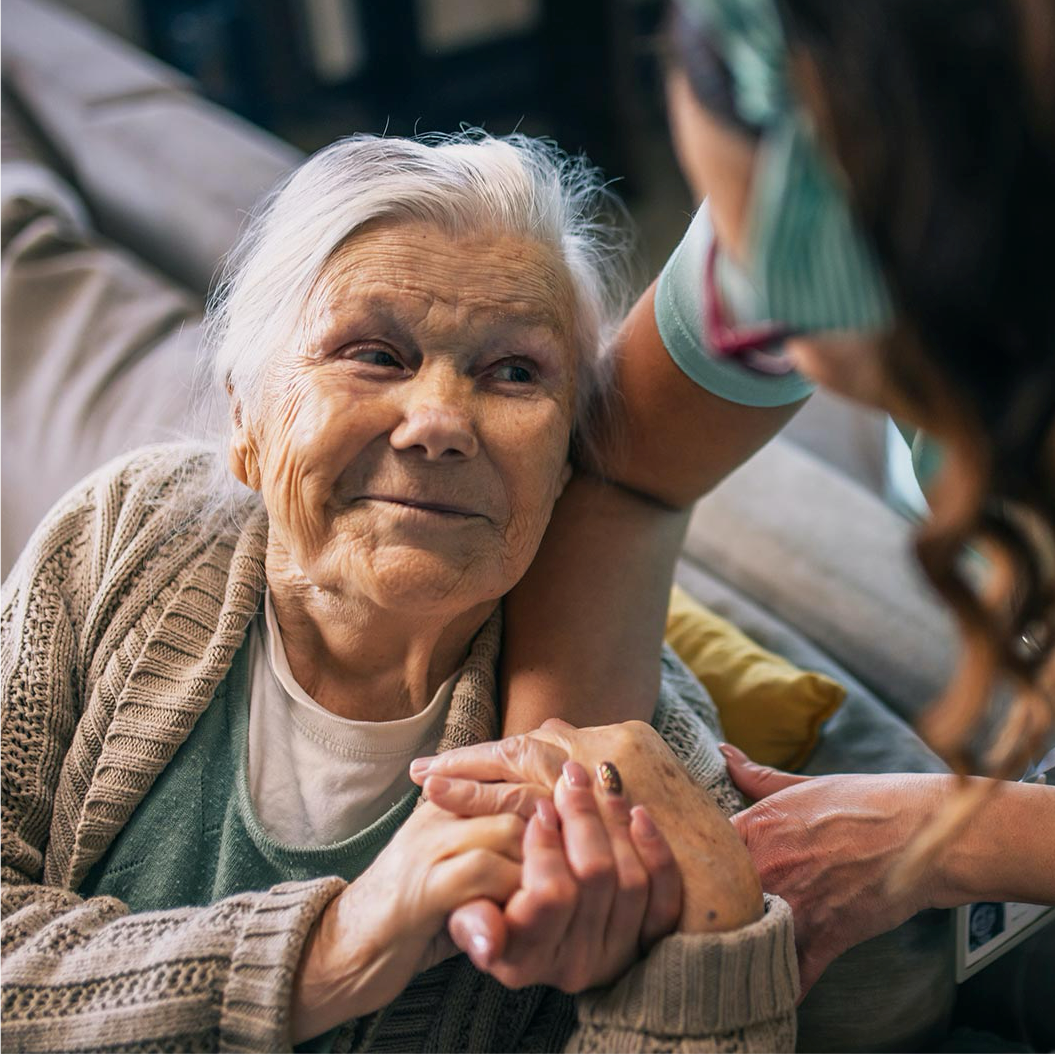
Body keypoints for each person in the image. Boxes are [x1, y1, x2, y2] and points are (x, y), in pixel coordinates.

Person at [0, 130, 798, 1051]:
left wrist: (718, 941)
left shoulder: (641, 757)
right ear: (245, 420)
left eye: (514, 372)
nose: (439, 424)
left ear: (566, 463)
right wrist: (332, 948)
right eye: (374, 354)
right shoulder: (124, 536)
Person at [415, 0, 1055, 1016]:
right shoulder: (787, 169)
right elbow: (624, 478)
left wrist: (946, 837)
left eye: (820, 316)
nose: (780, 354)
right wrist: (565, 808)